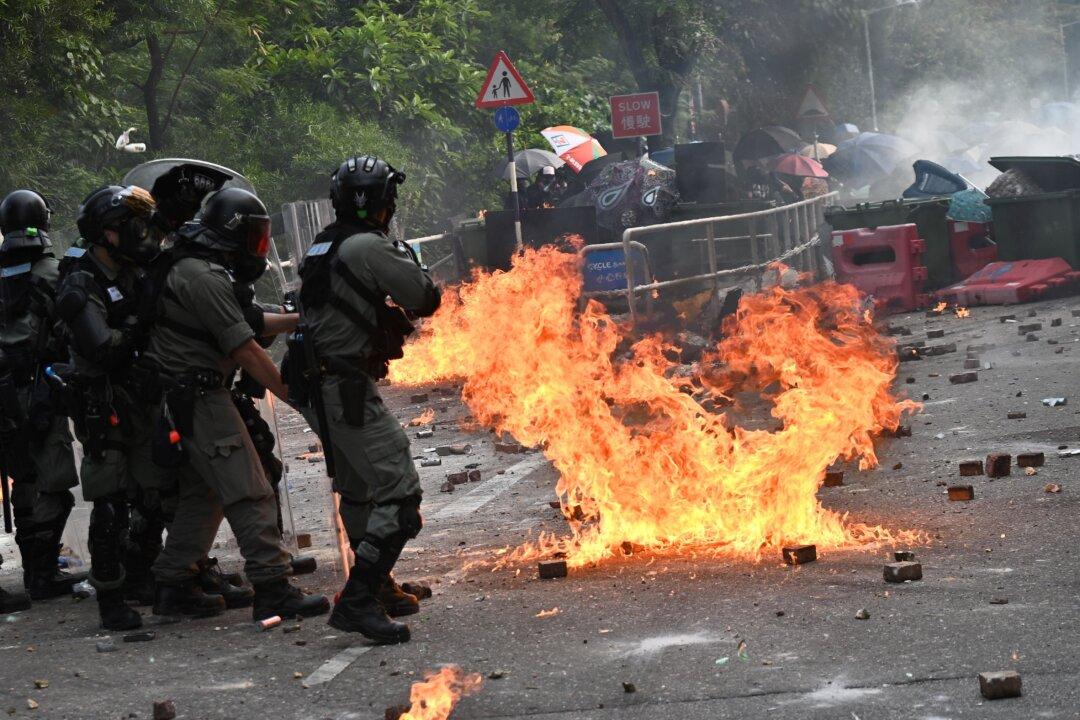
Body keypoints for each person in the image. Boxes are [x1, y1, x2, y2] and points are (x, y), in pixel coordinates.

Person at [144, 187, 328, 621]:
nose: (258, 247)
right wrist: (295, 398)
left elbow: (248, 319)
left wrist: (305, 320)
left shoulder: (198, 268)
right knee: (252, 489)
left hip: (186, 397)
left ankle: (173, 585)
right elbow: (245, 347)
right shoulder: (203, 277)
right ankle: (273, 587)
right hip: (201, 398)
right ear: (233, 232)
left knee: (203, 495)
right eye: (256, 237)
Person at [287, 155, 440, 644]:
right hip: (345, 386)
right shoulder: (369, 247)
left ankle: (377, 586)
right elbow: (424, 297)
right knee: (400, 491)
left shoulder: (323, 244)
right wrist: (404, 255)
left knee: (358, 490)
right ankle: (357, 600)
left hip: (319, 383)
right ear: (384, 203)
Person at [53, 184, 176, 629]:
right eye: (133, 229)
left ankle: (141, 576)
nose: (142, 236)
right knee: (110, 503)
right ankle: (110, 599)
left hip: (141, 401)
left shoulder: (130, 271)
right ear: (108, 234)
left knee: (157, 492)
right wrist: (144, 322)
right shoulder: (80, 284)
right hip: (103, 405)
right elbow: (104, 352)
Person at [0, 189, 83, 611]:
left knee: (24, 479)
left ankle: (36, 571)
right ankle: (41, 573)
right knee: (53, 486)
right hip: (40, 390)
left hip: (4, 395)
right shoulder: (52, 271)